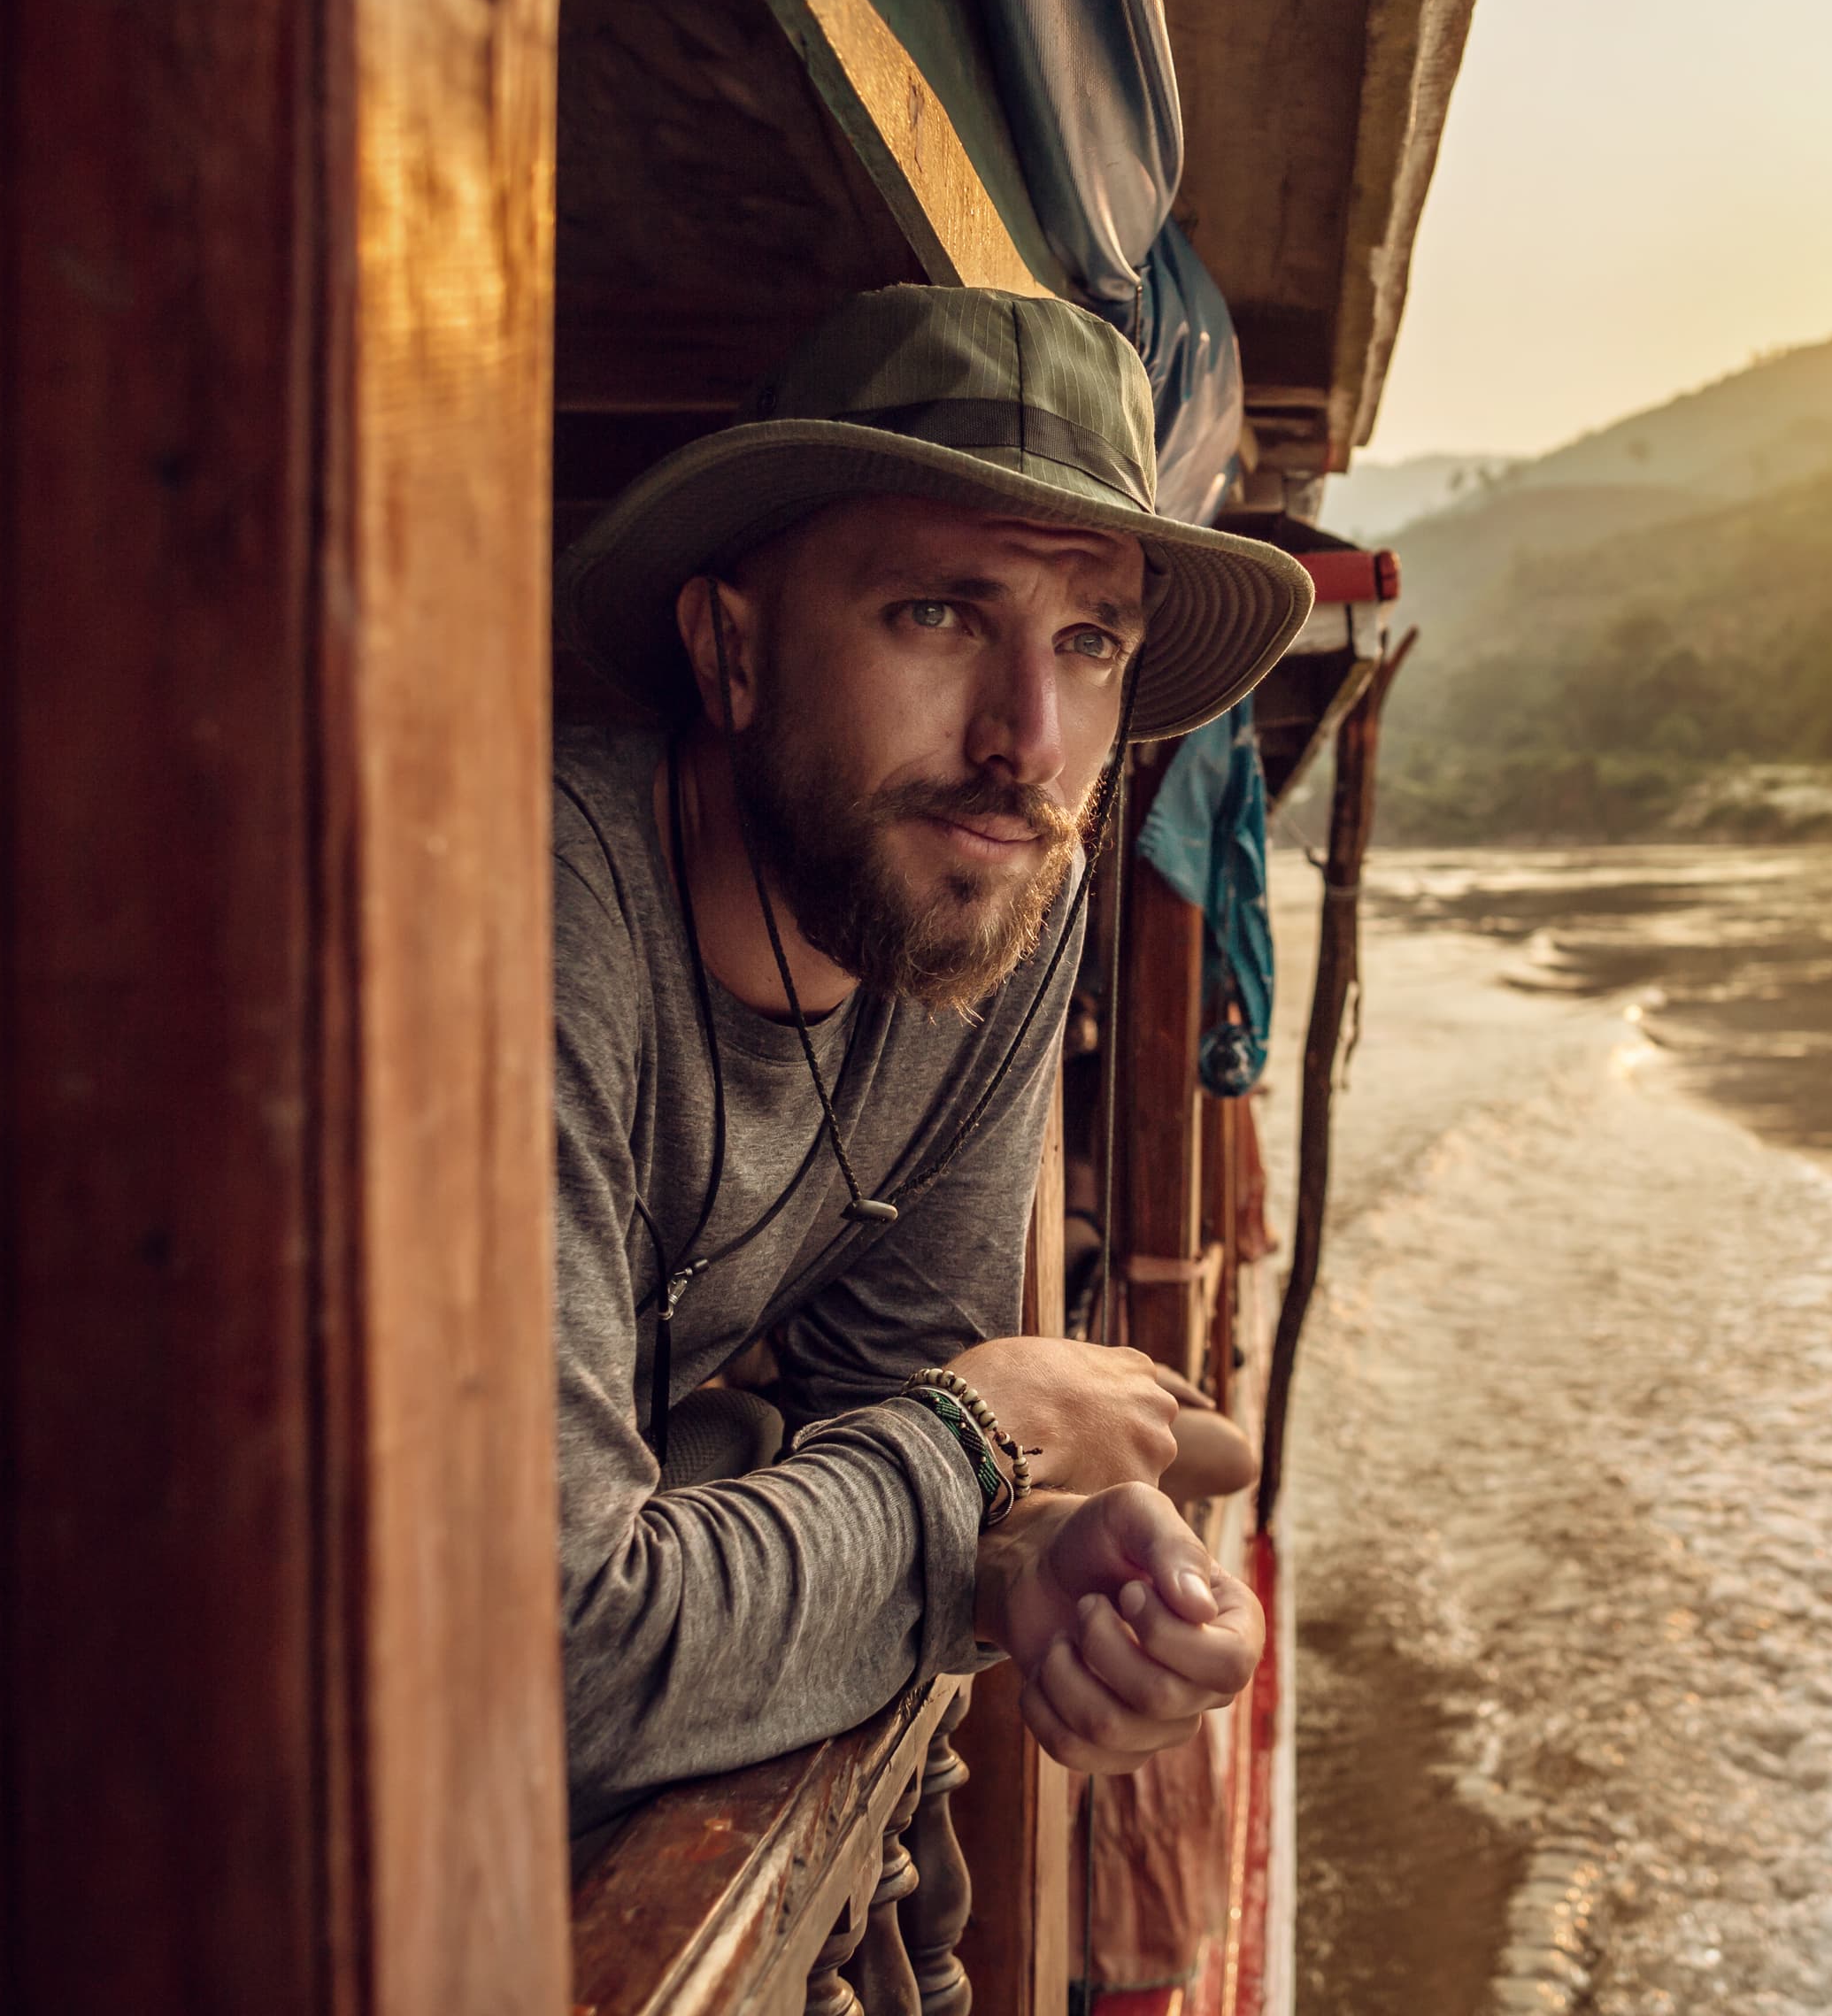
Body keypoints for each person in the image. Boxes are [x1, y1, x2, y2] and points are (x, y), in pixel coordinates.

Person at [547, 284, 1314, 1827]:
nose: (1026, 741)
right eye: (938, 615)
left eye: (1089, 639)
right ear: (731, 652)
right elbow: (551, 1659)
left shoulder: (1008, 888)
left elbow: (885, 1410)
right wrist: (991, 1438)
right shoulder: (530, 912)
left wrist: (1029, 1564)